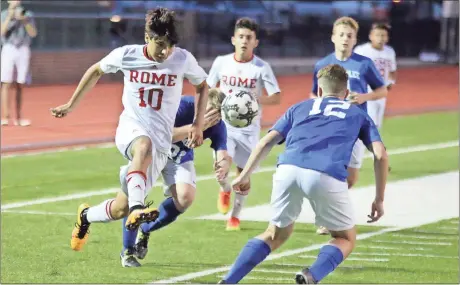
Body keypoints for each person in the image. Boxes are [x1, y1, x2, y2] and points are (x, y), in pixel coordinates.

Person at [50, 8, 209, 254]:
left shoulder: (182, 59)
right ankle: (138, 210)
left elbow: (202, 85)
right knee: (142, 146)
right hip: (131, 129)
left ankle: (86, 216)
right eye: (159, 44)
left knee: (118, 209)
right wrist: (71, 104)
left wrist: (198, 123)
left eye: (169, 45)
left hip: (161, 143)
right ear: (147, 37)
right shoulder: (126, 55)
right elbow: (96, 70)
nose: (165, 51)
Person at [219, 64, 388, 284]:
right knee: (344, 238)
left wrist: (244, 175)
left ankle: (228, 281)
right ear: (346, 93)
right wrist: (379, 199)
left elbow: (266, 141)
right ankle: (311, 275)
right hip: (325, 174)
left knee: (274, 234)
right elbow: (381, 155)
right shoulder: (358, 114)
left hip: (287, 169)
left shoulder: (299, 107)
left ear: (319, 91)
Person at [116, 88, 232, 267]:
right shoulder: (181, 106)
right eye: (207, 112)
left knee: (185, 198)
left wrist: (223, 164)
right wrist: (195, 128)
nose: (211, 118)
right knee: (134, 196)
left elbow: (222, 150)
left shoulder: (218, 124)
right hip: (153, 151)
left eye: (215, 116)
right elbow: (162, 135)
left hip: (179, 156)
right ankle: (127, 250)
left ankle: (145, 229)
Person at [309, 17, 387, 235]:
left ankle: (327, 209)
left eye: (349, 35)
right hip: (331, 127)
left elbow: (382, 90)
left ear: (355, 40)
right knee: (327, 171)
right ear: (333, 37)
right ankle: (326, 216)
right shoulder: (322, 64)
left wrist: (364, 97)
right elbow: (314, 93)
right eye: (341, 34)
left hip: (355, 127)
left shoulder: (363, 64)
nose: (345, 39)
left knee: (351, 178)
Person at [207, 17, 281, 231]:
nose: (244, 41)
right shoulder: (221, 62)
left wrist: (255, 100)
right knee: (221, 168)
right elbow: (209, 89)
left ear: (255, 42)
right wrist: (212, 106)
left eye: (249, 37)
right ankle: (224, 189)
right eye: (241, 37)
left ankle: (235, 217)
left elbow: (276, 96)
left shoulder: (261, 67)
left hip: (249, 130)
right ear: (233, 39)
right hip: (223, 126)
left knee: (244, 174)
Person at [354, 22, 397, 130]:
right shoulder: (362, 50)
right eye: (377, 35)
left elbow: (392, 70)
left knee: (377, 126)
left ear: (387, 38)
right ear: (371, 36)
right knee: (370, 124)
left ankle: (370, 146)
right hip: (366, 91)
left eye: (383, 35)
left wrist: (391, 83)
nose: (380, 38)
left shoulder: (389, 52)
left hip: (381, 93)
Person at [1, 0, 37, 126]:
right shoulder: (4, 13)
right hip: (9, 47)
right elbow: (2, 32)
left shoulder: (28, 14)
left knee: (20, 83)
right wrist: (10, 16)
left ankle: (19, 117)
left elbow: (33, 33)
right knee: (5, 82)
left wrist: (24, 20)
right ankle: (5, 117)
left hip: (23, 48)